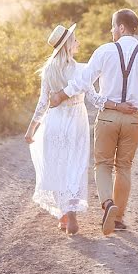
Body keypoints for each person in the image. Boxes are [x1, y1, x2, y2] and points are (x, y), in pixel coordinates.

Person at [50, 8, 138, 236]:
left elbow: (83, 82)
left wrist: (61, 95)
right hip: (135, 120)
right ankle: (119, 218)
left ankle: (107, 204)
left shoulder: (104, 51)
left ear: (121, 27)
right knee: (124, 167)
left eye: (113, 26)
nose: (111, 30)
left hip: (107, 118)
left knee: (103, 165)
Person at [24, 23, 108, 235]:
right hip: (76, 122)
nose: (78, 42)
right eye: (75, 39)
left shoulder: (48, 71)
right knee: (75, 166)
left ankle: (63, 214)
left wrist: (31, 128)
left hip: (54, 121)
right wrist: (115, 102)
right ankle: (71, 214)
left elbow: (43, 103)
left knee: (57, 166)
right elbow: (95, 98)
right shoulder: (82, 69)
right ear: (69, 45)